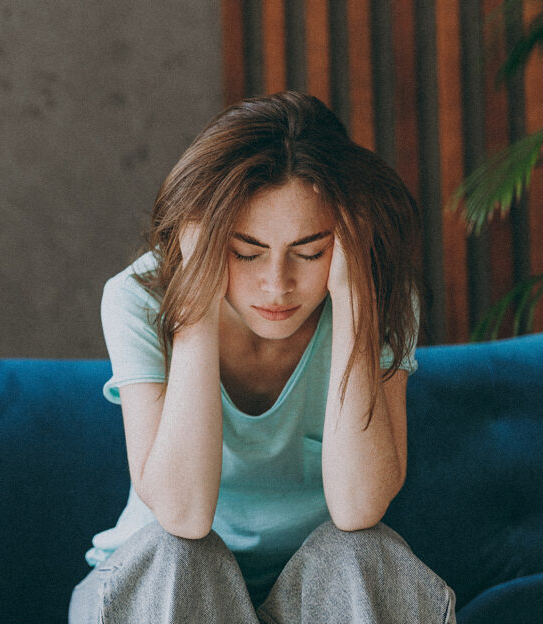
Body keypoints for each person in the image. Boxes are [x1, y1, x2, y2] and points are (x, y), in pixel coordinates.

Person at [69, 91, 456, 623]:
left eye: (310, 252)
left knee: (364, 552)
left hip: (314, 598)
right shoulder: (136, 298)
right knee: (182, 554)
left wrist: (355, 300)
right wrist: (197, 298)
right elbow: (182, 515)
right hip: (158, 590)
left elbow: (358, 508)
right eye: (245, 252)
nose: (277, 286)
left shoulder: (380, 299)